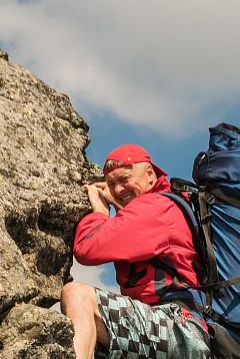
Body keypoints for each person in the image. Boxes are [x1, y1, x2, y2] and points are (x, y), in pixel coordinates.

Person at [60, 144, 211, 359]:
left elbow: (87, 248)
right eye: (112, 184)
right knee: (96, 330)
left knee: (78, 296)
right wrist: (118, 204)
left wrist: (101, 212)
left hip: (180, 331)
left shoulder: (156, 208)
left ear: (150, 174)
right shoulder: (166, 204)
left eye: (124, 179)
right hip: (177, 330)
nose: (118, 189)